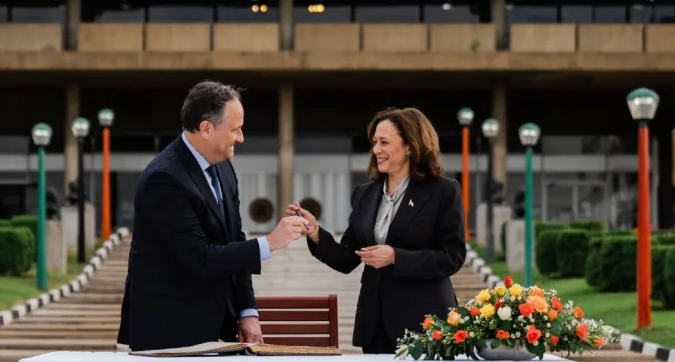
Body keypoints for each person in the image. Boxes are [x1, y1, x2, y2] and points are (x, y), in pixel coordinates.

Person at [117, 80, 310, 351]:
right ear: (206, 128)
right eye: (235, 129)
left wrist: (247, 310)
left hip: (216, 325)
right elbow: (199, 258)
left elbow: (234, 239)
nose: (241, 138)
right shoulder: (164, 179)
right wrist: (270, 243)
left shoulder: (224, 167)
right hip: (168, 332)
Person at [287, 107, 467, 354]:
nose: (376, 150)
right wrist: (316, 232)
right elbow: (347, 258)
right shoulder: (365, 193)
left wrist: (395, 256)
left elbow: (452, 257)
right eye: (374, 143)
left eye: (384, 142)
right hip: (376, 326)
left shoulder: (444, 191)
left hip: (426, 324)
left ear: (410, 146)